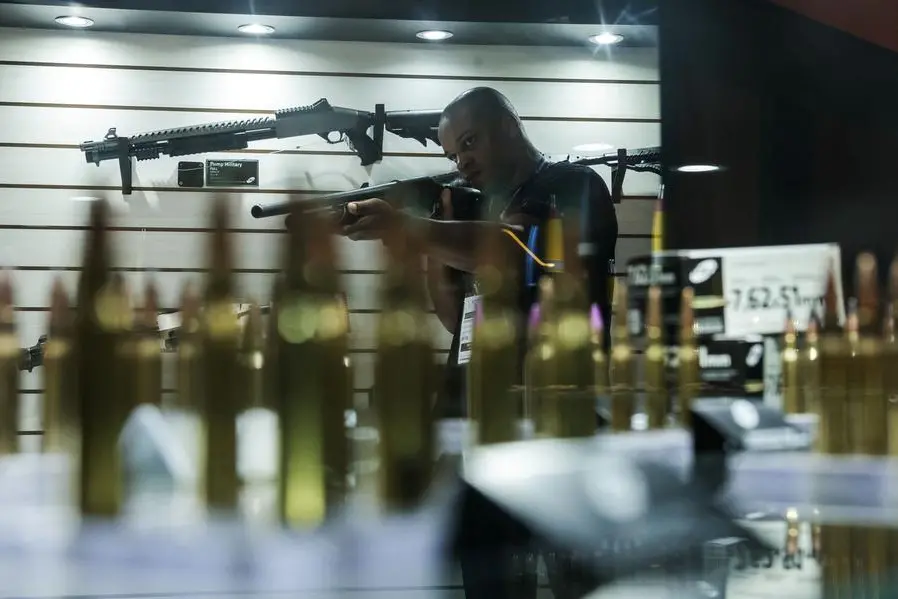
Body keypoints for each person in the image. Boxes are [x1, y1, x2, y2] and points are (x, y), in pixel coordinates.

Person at [341, 86, 618, 598]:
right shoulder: (483, 211)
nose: (462, 162)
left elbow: (511, 253)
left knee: (575, 578)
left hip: (559, 413)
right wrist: (433, 231)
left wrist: (411, 226)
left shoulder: (573, 184)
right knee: (491, 580)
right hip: (481, 417)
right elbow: (456, 317)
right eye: (452, 155)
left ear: (509, 125)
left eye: (470, 143)